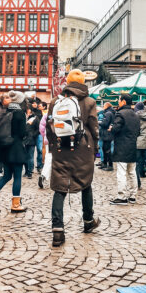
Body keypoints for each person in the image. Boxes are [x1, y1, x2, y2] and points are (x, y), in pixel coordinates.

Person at [46, 70, 100, 246]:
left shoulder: (55, 102)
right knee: (86, 184)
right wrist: (95, 149)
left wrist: (54, 147)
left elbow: (49, 126)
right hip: (83, 149)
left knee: (59, 188)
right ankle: (88, 221)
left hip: (61, 148)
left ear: (67, 83)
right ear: (83, 82)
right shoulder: (90, 102)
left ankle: (58, 230)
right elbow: (94, 128)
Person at [0, 91, 28, 213]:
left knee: (7, 175)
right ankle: (16, 204)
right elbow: (23, 133)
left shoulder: (5, 111)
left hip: (4, 148)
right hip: (16, 149)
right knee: (17, 176)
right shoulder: (19, 113)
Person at [109, 93, 140, 204]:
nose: (118, 102)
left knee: (121, 173)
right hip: (133, 146)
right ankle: (132, 196)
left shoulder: (120, 114)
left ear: (124, 101)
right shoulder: (136, 115)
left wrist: (111, 128)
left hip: (122, 146)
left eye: (119, 100)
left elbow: (116, 129)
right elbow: (138, 132)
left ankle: (121, 197)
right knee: (132, 172)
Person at [23, 99, 41, 179]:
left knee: (30, 156)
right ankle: (26, 171)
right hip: (23, 139)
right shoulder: (23, 117)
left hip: (31, 140)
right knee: (24, 156)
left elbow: (38, 129)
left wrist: (33, 135)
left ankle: (30, 172)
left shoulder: (35, 118)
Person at [99, 102, 114, 170]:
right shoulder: (111, 112)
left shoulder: (108, 113)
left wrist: (99, 122)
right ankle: (105, 164)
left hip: (107, 134)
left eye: (104, 106)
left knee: (107, 150)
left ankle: (109, 165)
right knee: (106, 150)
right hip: (108, 134)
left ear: (106, 106)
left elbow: (105, 124)